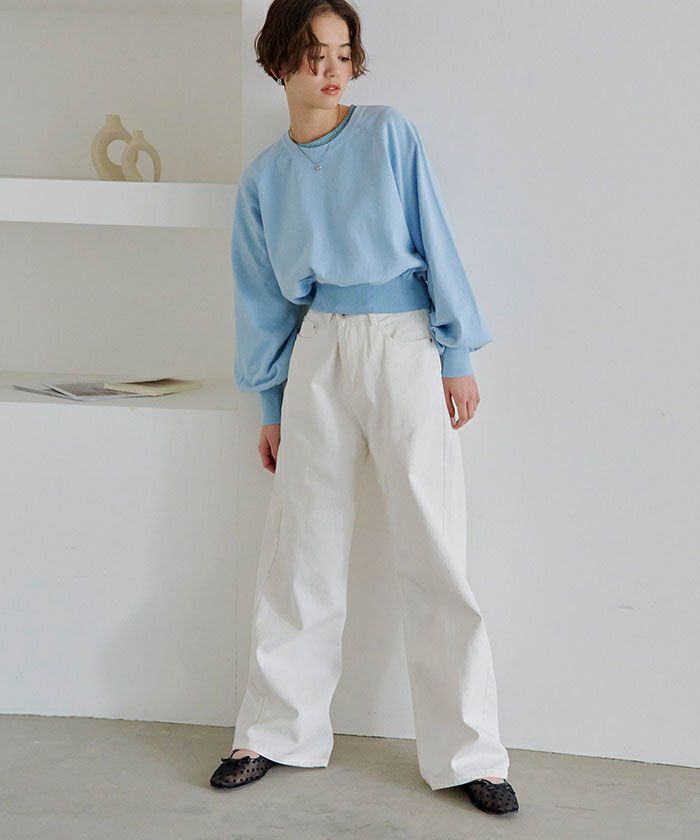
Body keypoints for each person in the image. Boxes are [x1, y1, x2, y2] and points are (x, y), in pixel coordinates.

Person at [209, 0, 520, 817]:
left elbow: (434, 236)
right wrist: (270, 404)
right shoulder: (263, 180)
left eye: (343, 52)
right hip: (316, 352)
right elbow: (262, 303)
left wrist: (455, 353)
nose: (332, 69)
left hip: (404, 343)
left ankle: (470, 753)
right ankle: (274, 732)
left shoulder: (387, 134)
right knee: (301, 548)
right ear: (279, 59)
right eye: (314, 52)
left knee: (434, 548)